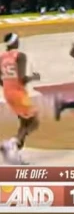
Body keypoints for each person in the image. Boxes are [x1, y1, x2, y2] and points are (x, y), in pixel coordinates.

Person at [0, 33, 40, 164]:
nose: (19, 41)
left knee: (24, 123)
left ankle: (14, 153)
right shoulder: (20, 56)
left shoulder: (2, 57)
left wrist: (8, 85)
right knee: (34, 122)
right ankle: (12, 143)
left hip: (7, 92)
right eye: (17, 39)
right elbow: (22, 79)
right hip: (19, 94)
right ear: (14, 42)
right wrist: (34, 77)